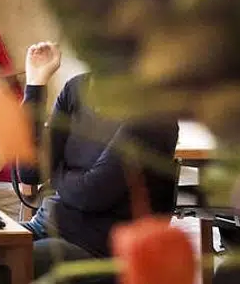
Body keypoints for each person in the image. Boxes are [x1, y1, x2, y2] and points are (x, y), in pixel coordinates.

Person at [17, 42, 180, 278]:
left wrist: (55, 173)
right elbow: (30, 172)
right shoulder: (76, 89)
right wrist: (35, 85)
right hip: (43, 226)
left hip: (96, 249)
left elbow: (92, 194)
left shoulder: (153, 114)